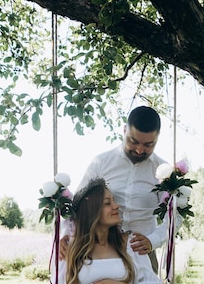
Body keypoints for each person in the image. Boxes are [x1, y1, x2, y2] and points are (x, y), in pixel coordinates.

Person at [62, 105, 181, 274]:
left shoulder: (164, 171)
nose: (140, 150)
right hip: (101, 253)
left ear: (157, 139)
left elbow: (175, 215)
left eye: (148, 145)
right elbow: (78, 206)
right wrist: (65, 236)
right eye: (134, 141)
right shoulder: (101, 162)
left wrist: (152, 240)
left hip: (143, 254)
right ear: (124, 131)